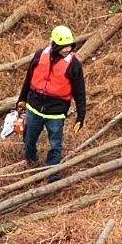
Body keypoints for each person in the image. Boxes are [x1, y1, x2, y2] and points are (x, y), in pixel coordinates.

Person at [18, 23, 88, 168]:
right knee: (29, 139)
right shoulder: (40, 55)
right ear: (54, 44)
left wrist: (80, 116)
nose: (67, 49)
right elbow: (29, 78)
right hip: (34, 108)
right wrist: (22, 100)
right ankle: (31, 161)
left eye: (70, 46)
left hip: (56, 113)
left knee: (56, 145)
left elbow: (80, 93)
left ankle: (52, 172)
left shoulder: (74, 65)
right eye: (64, 46)